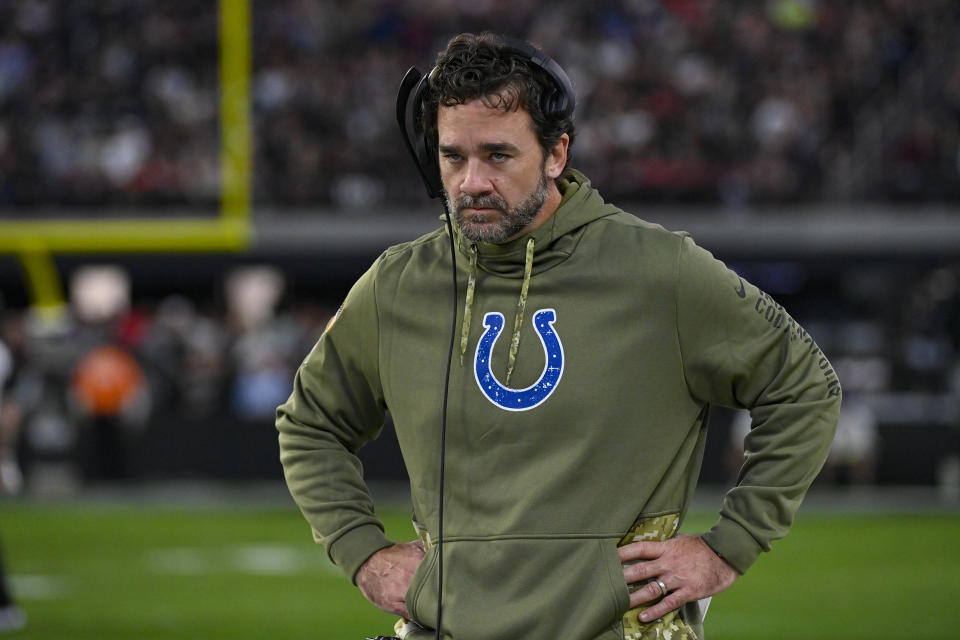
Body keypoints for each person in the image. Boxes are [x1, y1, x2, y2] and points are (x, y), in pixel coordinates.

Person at [276, 32, 841, 640]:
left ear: (556, 154)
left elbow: (805, 386)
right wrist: (363, 553)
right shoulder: (398, 285)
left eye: (498, 156)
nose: (470, 183)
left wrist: (731, 545)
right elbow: (311, 425)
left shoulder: (660, 270)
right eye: (452, 157)